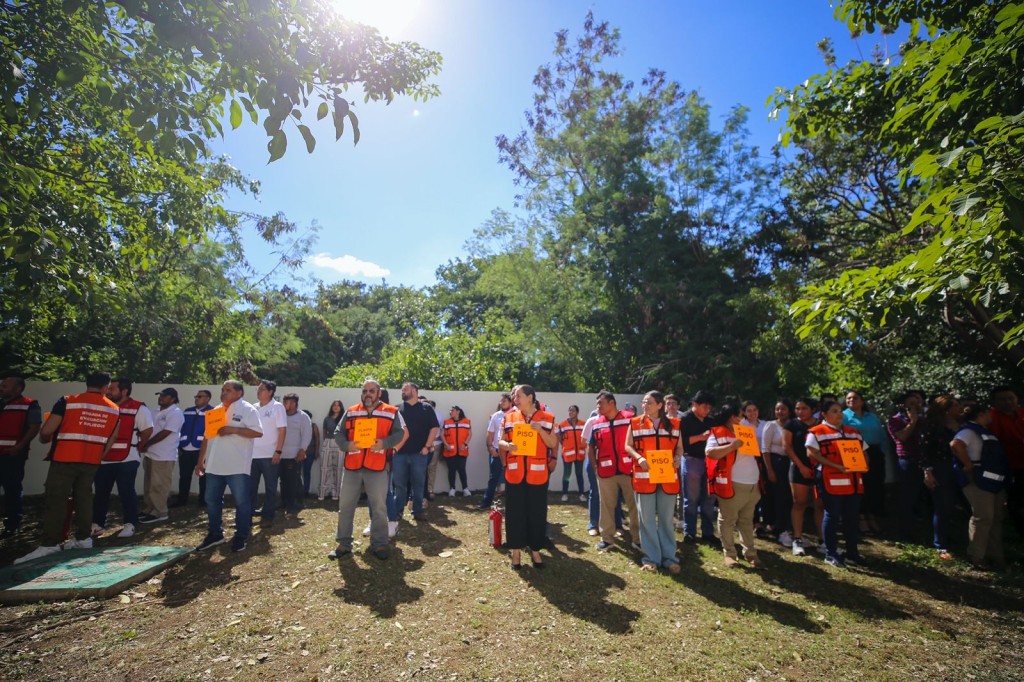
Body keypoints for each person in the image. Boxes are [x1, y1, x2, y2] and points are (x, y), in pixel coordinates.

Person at [15, 371, 120, 564]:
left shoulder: (68, 401)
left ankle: (50, 544)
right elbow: (111, 438)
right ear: (106, 387)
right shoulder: (114, 409)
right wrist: (98, 455)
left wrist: (44, 438)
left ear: (87, 382)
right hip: (91, 461)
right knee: (84, 499)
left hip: (64, 458)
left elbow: (47, 430)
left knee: (56, 499)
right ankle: (83, 539)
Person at [330, 379, 406, 561]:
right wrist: (347, 445)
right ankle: (344, 543)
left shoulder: (391, 412)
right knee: (346, 506)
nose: (367, 394)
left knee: (379, 508)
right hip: (353, 466)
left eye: (372, 391)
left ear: (379, 393)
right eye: (365, 391)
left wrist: (385, 443)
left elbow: (400, 433)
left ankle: (379, 544)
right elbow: (338, 433)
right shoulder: (351, 411)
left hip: (377, 467)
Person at [194, 380, 263, 553]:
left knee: (241, 502)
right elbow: (207, 438)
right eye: (223, 390)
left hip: (237, 466)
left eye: (228, 390)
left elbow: (258, 432)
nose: (224, 393)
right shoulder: (215, 411)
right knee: (211, 500)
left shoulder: (248, 409)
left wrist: (234, 430)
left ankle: (241, 536)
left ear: (239, 393)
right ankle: (215, 534)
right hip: (214, 465)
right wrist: (201, 460)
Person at [497, 384, 558, 569]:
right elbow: (499, 441)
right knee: (515, 514)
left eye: (518, 396)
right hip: (515, 474)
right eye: (514, 397)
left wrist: (540, 430)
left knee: (537, 514)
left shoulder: (547, 419)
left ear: (530, 397)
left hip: (537, 475)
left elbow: (553, 442)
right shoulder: (508, 417)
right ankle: (516, 553)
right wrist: (507, 446)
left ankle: (536, 551)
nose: (515, 399)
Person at [624, 391, 682, 573]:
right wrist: (639, 458)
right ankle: (651, 559)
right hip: (644, 477)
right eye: (643, 402)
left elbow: (679, 447)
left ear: (659, 405)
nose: (644, 405)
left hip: (667, 478)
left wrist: (678, 458)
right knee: (646, 519)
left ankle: (670, 558)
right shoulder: (635, 423)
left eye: (648, 402)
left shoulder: (675, 424)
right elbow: (628, 445)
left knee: (665, 519)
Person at [807, 399, 867, 568]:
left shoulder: (852, 431)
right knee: (832, 516)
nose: (839, 414)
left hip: (854, 482)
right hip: (831, 481)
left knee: (851, 518)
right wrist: (836, 466)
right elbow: (811, 453)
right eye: (834, 411)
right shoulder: (816, 431)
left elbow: (864, 451)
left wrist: (864, 465)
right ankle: (830, 553)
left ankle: (852, 554)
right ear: (824, 414)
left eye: (840, 410)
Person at [951, 401, 1010, 571]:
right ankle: (976, 556)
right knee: (983, 517)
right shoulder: (969, 431)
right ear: (981, 414)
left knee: (995, 519)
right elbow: (955, 444)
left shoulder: (986, 432)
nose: (991, 415)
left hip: (993, 481)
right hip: (977, 479)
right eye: (988, 412)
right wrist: (968, 465)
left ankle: (995, 556)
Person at [92, 377, 152, 538]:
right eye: (108, 389)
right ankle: (97, 524)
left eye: (112, 389)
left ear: (124, 391)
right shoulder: (103, 405)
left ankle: (130, 523)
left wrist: (138, 446)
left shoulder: (138, 408)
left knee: (126, 491)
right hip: (104, 458)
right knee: (101, 492)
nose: (109, 391)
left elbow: (147, 430)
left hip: (127, 458)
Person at [706, 404, 764, 569]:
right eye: (741, 415)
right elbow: (711, 453)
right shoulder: (717, 432)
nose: (744, 418)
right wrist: (732, 446)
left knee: (747, 521)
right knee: (728, 520)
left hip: (752, 485)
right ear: (733, 417)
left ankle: (751, 554)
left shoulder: (746, 431)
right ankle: (730, 554)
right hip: (733, 485)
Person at [589, 390, 640, 552]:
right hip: (606, 471)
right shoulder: (596, 423)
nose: (598, 406)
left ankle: (637, 539)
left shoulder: (629, 419)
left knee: (634, 506)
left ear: (611, 403)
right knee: (606, 506)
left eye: (600, 403)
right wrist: (594, 465)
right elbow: (590, 445)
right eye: (597, 403)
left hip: (629, 470)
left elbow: (639, 441)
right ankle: (607, 539)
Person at [0, 377, 42, 538]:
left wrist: (20, 446)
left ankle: (12, 524)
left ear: (18, 389)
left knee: (12, 489)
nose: (2, 388)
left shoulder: (29, 404)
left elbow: (35, 426)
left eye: (5, 386)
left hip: (13, 455)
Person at [843, 390, 889, 535]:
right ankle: (861, 517)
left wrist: (883, 452)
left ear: (862, 401)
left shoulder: (872, 416)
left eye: (855, 398)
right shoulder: (843, 416)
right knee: (859, 485)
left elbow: (881, 436)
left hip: (875, 452)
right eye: (848, 398)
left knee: (874, 485)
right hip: (854, 452)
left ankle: (871, 515)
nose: (851, 400)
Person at [393, 383, 439, 524]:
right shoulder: (396, 409)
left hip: (419, 454)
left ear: (414, 390)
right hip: (399, 454)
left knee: (418, 484)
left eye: (405, 389)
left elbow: (434, 427)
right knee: (399, 485)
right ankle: (397, 511)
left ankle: (417, 511)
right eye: (402, 389)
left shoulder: (426, 408)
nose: (402, 391)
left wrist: (427, 446)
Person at [921, 393, 960, 559]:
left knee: (954, 505)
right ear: (947, 410)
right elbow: (923, 452)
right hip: (940, 468)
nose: (960, 408)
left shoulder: (962, 424)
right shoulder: (931, 427)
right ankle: (940, 544)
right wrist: (927, 471)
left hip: (959, 467)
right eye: (956, 405)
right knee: (942, 506)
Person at [139, 387, 184, 524]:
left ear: (173, 399)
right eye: (160, 396)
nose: (161, 398)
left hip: (164, 455)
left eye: (164, 396)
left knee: (159, 485)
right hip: (151, 454)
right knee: (149, 484)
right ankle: (150, 508)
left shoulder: (176, 413)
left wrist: (147, 443)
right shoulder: (155, 410)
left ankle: (160, 512)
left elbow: (166, 432)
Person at [888, 390, 928, 543]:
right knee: (908, 497)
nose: (915, 405)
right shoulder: (895, 420)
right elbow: (902, 437)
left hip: (924, 461)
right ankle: (905, 531)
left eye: (917, 402)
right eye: (911, 403)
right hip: (907, 461)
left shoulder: (925, 419)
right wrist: (913, 422)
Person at [785, 397, 823, 556]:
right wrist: (801, 466)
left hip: (819, 469)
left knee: (819, 505)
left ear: (812, 409)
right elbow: (786, 446)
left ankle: (823, 541)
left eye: (804, 408)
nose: (800, 412)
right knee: (799, 503)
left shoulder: (821, 424)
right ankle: (797, 539)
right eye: (797, 408)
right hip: (798, 469)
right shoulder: (791, 424)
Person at [680, 390, 717, 545]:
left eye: (709, 408)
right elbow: (681, 442)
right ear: (695, 404)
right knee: (691, 498)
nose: (706, 411)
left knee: (709, 499)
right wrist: (701, 437)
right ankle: (690, 532)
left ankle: (708, 532)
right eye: (704, 407)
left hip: (708, 461)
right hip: (691, 459)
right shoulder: (684, 419)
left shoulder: (710, 420)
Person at [988, 386, 1024, 536]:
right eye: (1002, 399)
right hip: (1010, 467)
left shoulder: (1021, 413)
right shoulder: (991, 418)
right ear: (995, 402)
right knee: (1018, 502)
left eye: (1011, 398)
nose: (1008, 402)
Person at [250, 379, 287, 527]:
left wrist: (278, 451)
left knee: (270, 487)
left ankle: (268, 516)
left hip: (270, 455)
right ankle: (248, 516)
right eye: (258, 389)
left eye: (262, 389)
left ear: (270, 392)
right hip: (252, 455)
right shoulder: (253, 407)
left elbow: (282, 430)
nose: (258, 392)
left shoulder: (277, 407)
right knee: (250, 488)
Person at [761, 399, 794, 548]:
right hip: (775, 462)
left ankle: (787, 526)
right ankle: (778, 527)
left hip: (791, 462)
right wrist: (769, 470)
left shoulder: (793, 425)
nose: (780, 412)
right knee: (778, 496)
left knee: (789, 497)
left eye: (783, 409)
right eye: (777, 409)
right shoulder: (771, 426)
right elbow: (765, 449)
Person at [172, 389, 212, 508]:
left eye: (200, 396)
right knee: (184, 476)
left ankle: (203, 501)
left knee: (203, 477)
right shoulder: (187, 411)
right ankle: (182, 500)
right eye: (196, 396)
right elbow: (181, 428)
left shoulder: (213, 412)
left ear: (207, 398)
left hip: (202, 450)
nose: (196, 398)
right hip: (185, 449)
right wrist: (180, 445)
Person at [477, 393, 512, 510]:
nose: (501, 403)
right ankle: (486, 502)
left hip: (511, 452)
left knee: (512, 479)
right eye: (501, 401)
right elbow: (490, 433)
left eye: (504, 401)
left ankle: (514, 504)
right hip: (497, 452)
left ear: (510, 402)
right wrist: (490, 447)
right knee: (493, 478)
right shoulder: (496, 416)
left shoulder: (516, 415)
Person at [278, 393, 311, 515]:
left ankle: (294, 504)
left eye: (290, 402)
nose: (287, 405)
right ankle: (283, 502)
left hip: (294, 454)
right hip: (280, 454)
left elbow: (307, 434)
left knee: (293, 480)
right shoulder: (280, 415)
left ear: (296, 404)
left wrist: (302, 450)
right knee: (283, 480)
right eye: (285, 402)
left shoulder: (303, 417)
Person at [558, 405, 587, 502]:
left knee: (579, 474)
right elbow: (559, 438)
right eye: (569, 411)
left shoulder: (583, 424)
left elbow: (586, 437)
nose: (571, 412)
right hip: (568, 453)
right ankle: (565, 493)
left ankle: (581, 494)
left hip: (580, 453)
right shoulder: (563, 425)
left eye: (573, 411)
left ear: (577, 412)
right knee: (567, 474)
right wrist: (565, 446)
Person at [442, 405, 472, 496]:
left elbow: (470, 434)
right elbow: (442, 434)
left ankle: (465, 489)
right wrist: (446, 445)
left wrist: (465, 444)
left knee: (462, 469)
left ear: (458, 411)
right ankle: (452, 489)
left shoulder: (466, 421)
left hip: (462, 450)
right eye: (450, 410)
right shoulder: (447, 422)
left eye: (452, 410)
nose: (450, 412)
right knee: (451, 470)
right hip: (450, 450)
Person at [319, 400, 345, 500]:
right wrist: (326, 441)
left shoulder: (343, 418)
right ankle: (323, 493)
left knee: (338, 468)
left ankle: (336, 494)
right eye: (334, 405)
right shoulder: (327, 419)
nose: (336, 407)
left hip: (339, 444)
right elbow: (324, 431)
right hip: (328, 442)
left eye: (338, 405)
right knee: (325, 467)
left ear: (341, 407)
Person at [424, 397, 445, 504]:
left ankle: (430, 490)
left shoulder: (439, 416)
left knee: (432, 467)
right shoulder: (421, 414)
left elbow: (441, 431)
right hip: (422, 445)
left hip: (435, 445)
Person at [301, 409, 319, 497]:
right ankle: (298, 491)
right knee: (298, 473)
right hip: (299, 453)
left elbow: (317, 439)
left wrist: (316, 451)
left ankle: (305, 491)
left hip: (310, 453)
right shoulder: (299, 426)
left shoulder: (313, 426)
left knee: (306, 472)